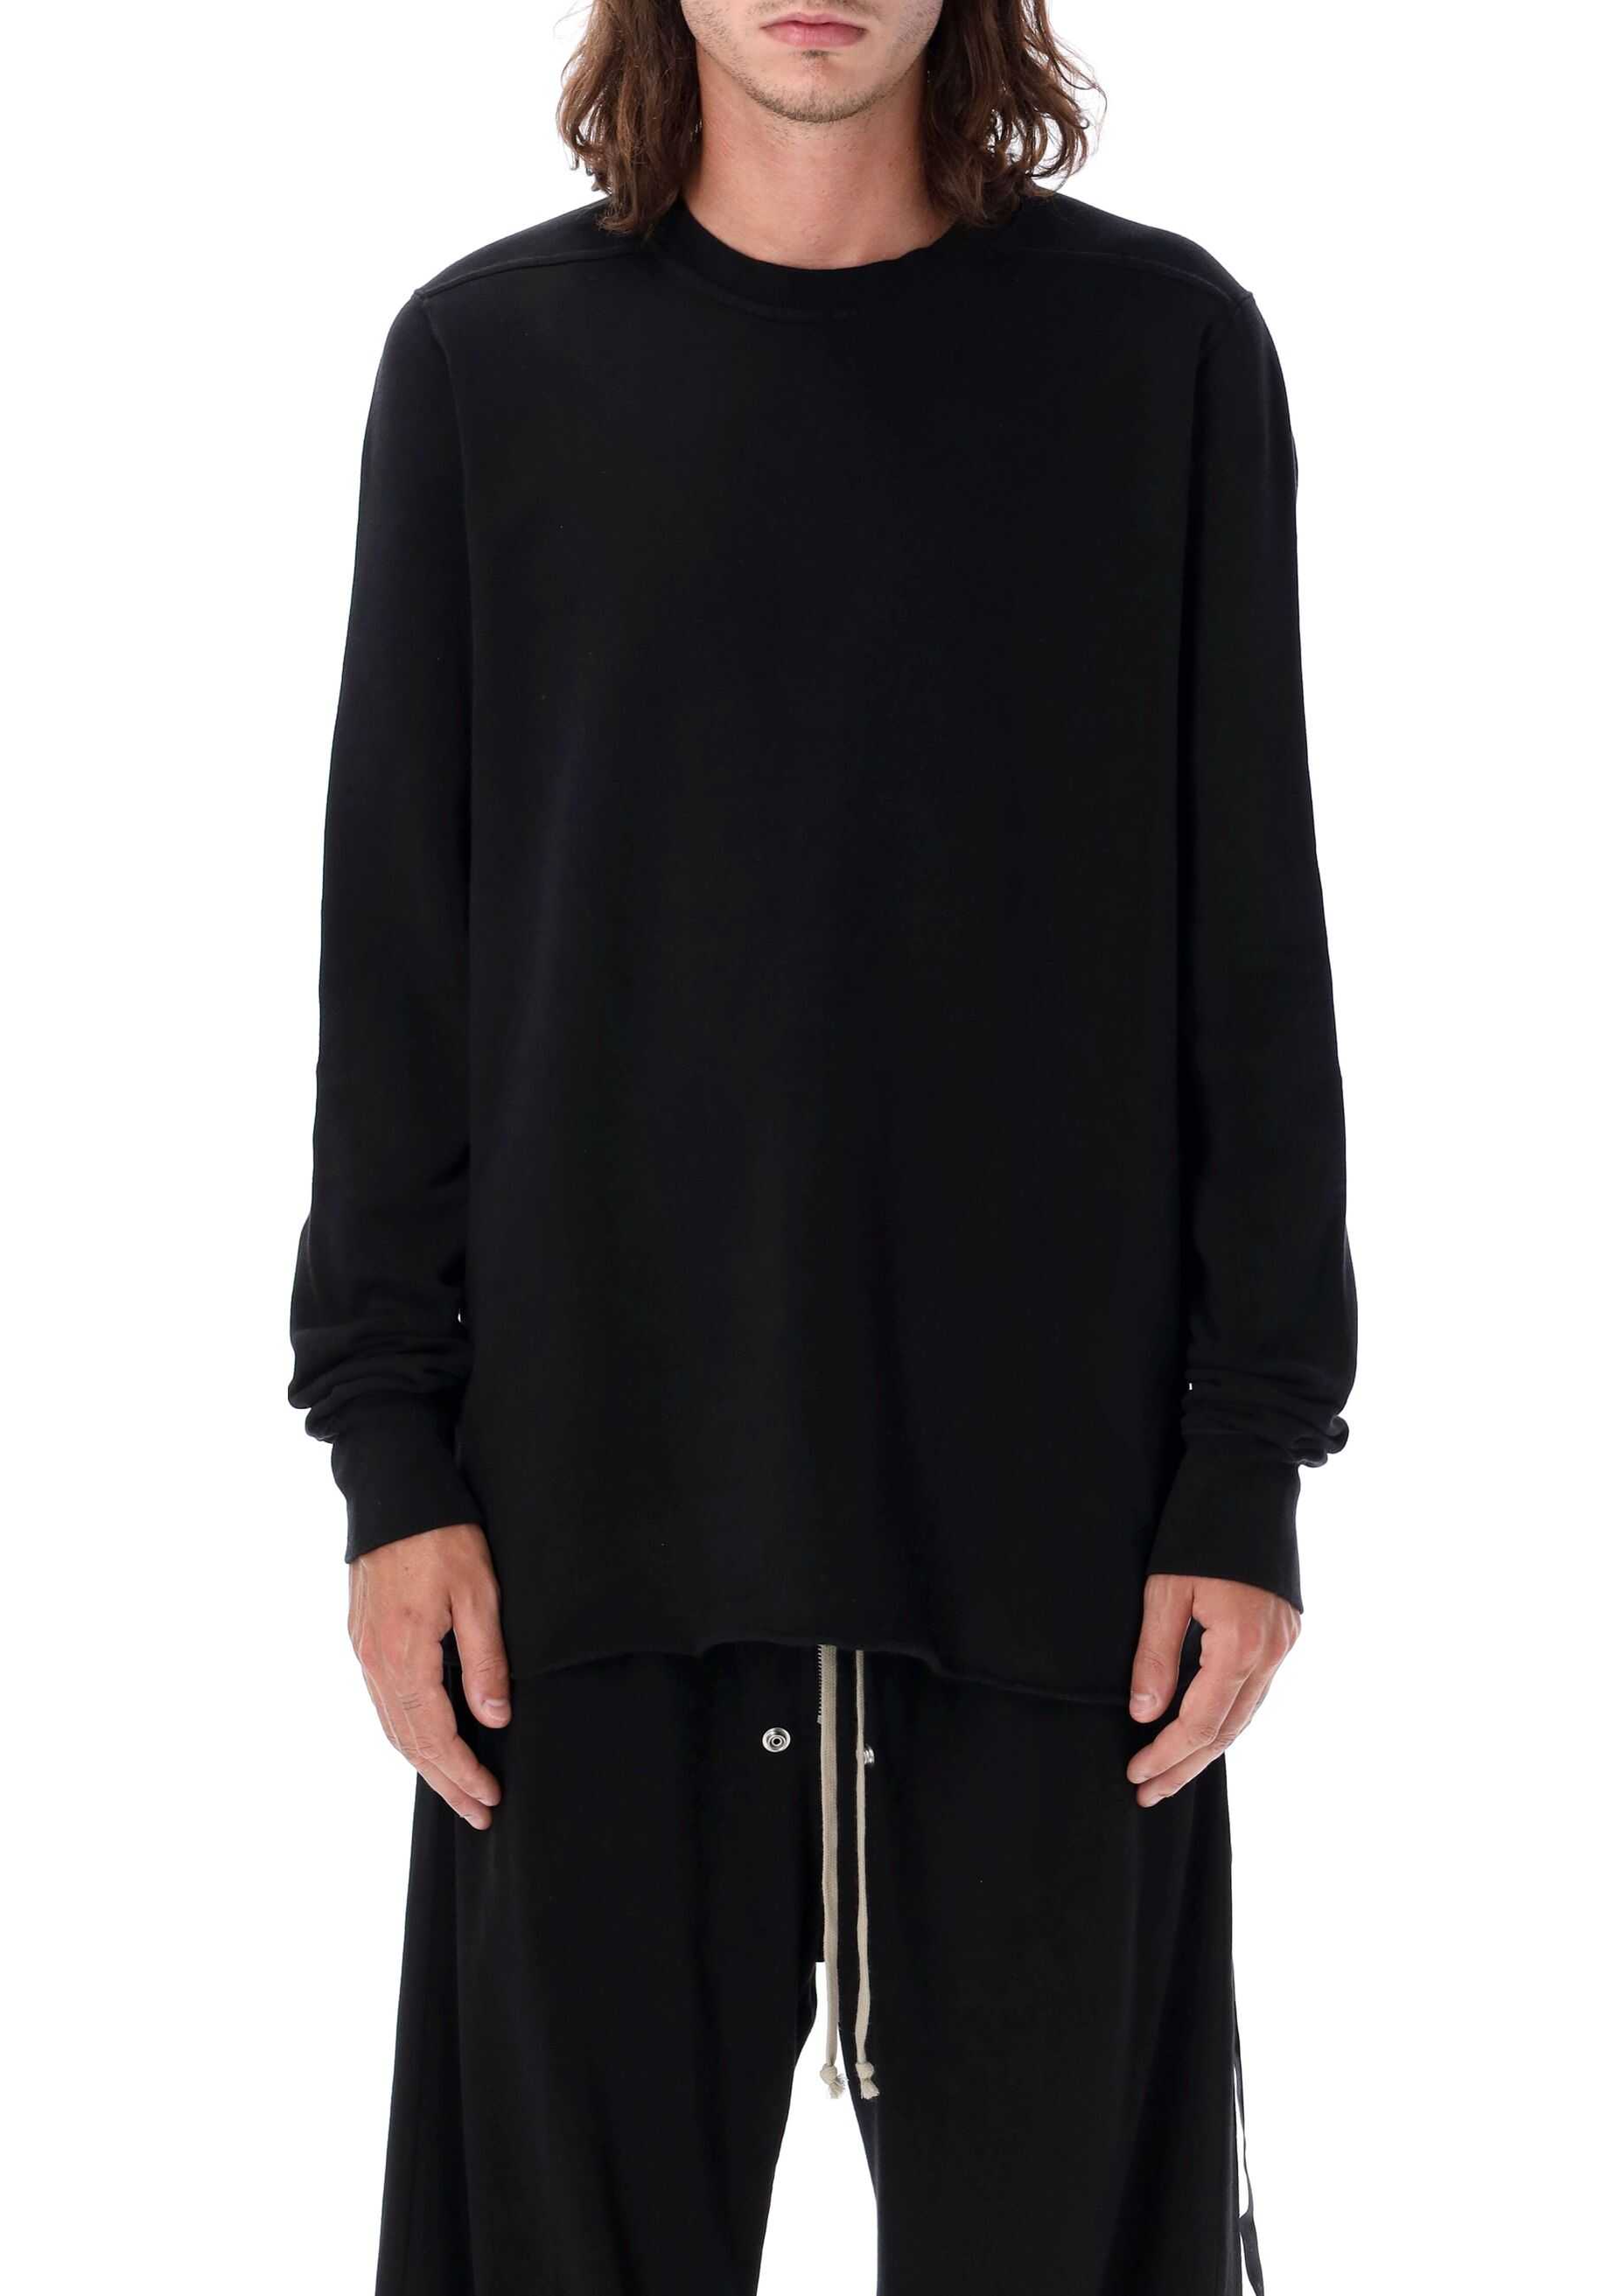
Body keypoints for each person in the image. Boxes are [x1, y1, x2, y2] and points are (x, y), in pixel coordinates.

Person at [288, 1, 1358, 2287]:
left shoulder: (1160, 361)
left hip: (1057, 1570)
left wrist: (1250, 1451)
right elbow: (399, 967)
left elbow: (1252, 937)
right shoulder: (486, 371)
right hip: (583, 1560)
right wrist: (390, 1456)